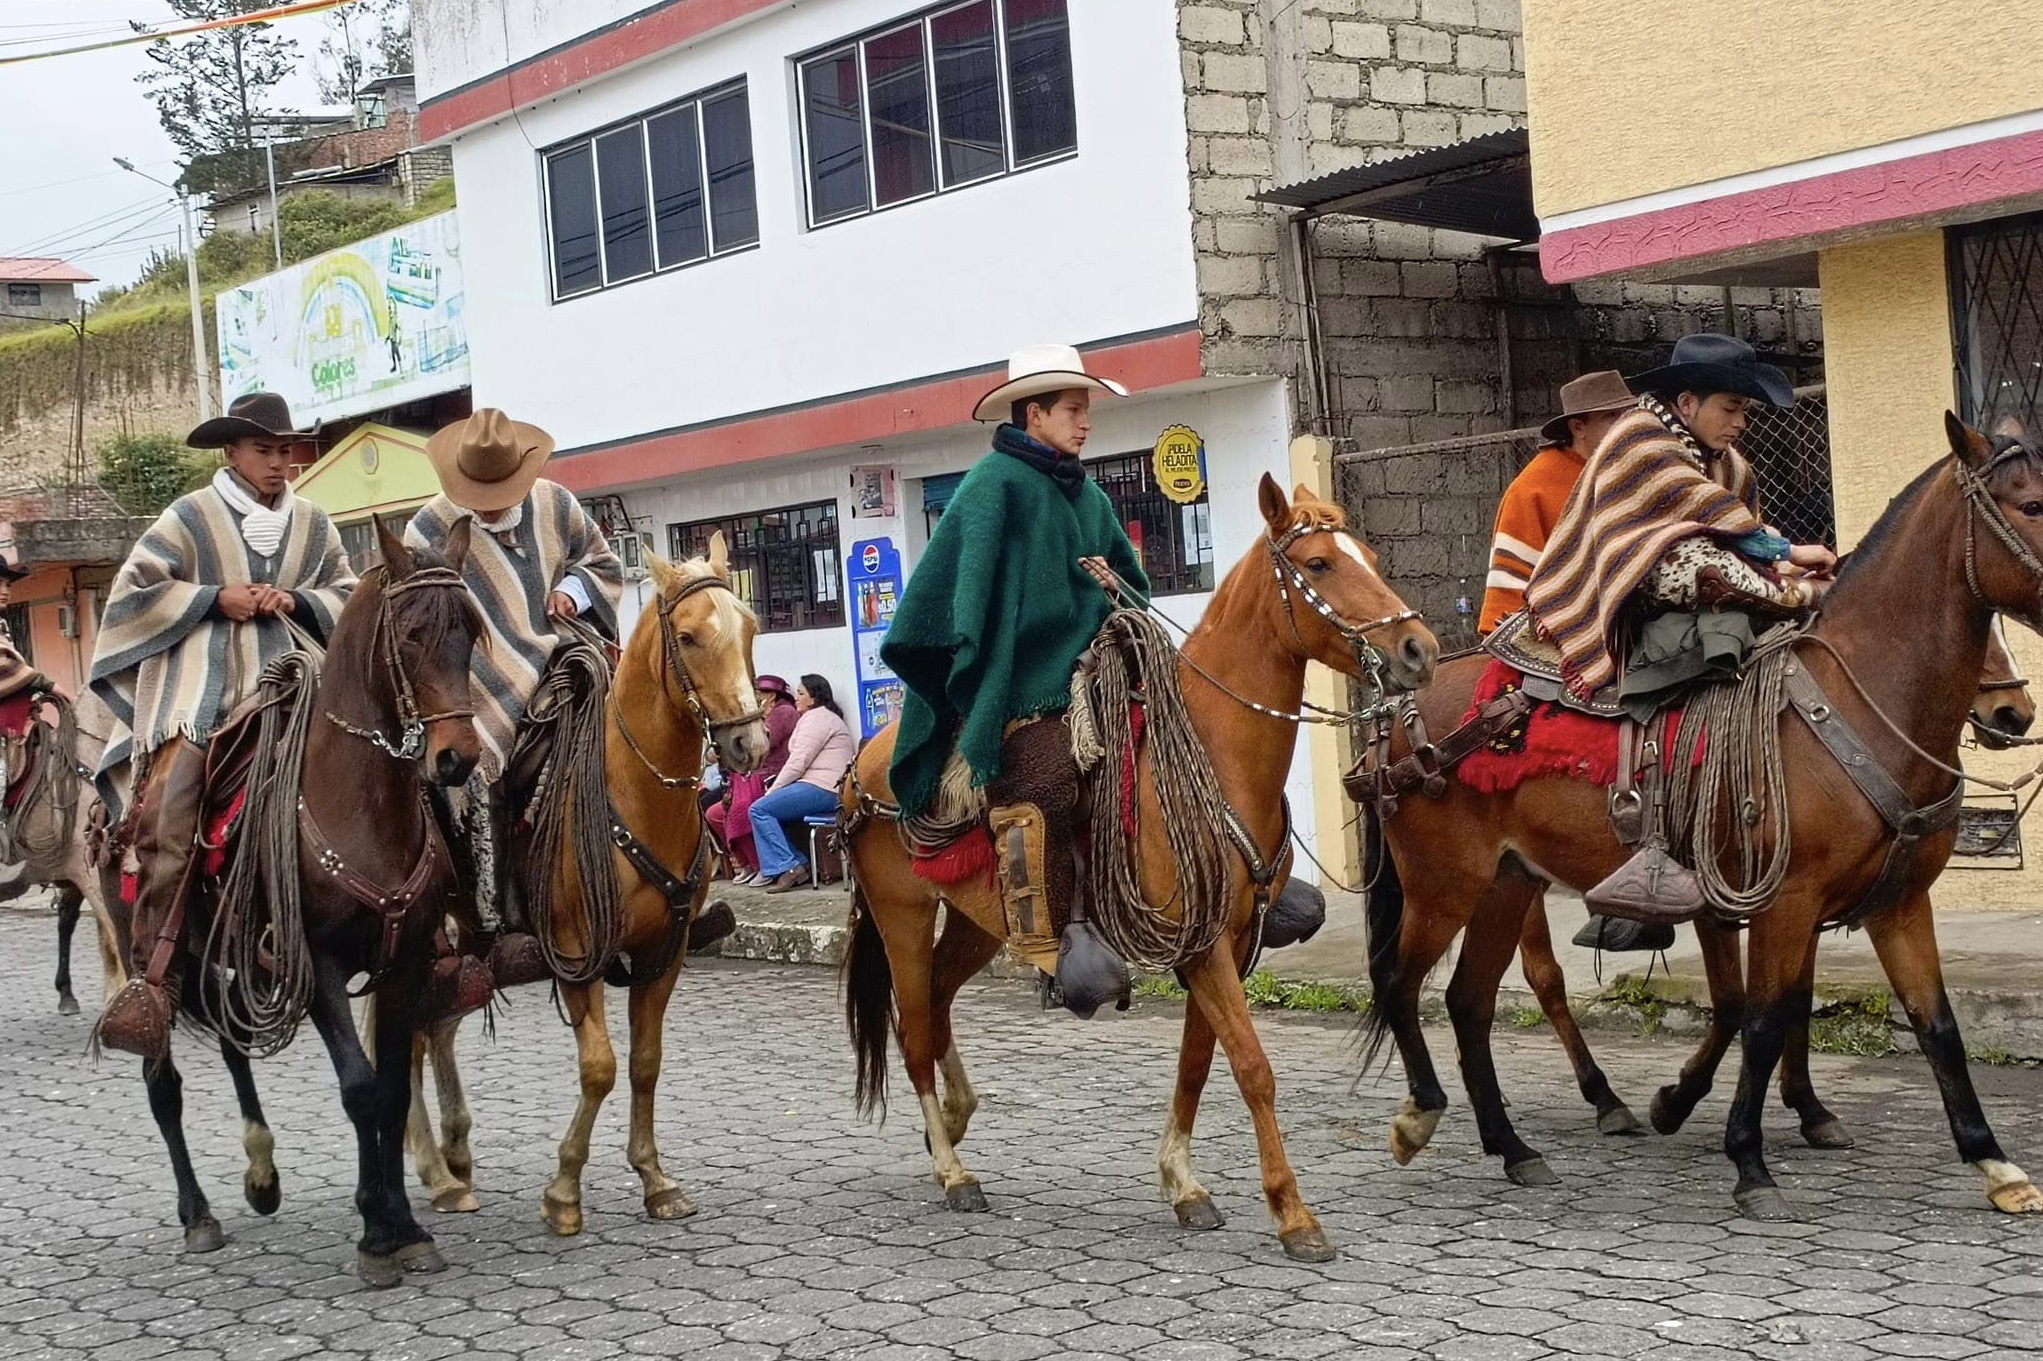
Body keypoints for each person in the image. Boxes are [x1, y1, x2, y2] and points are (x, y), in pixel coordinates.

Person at [881, 344, 1150, 1013]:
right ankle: (1054, 945)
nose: (1085, 422)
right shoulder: (989, 484)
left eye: (1086, 410)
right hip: (1021, 687)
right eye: (1072, 410)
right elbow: (951, 594)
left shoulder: (1085, 492)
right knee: (1046, 778)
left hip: (1090, 676)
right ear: (1034, 414)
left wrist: (1115, 586)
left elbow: (1130, 581)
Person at [89, 391, 358, 1058]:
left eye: (285, 450)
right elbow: (134, 593)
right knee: (168, 816)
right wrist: (216, 598)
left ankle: (441, 937)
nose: (279, 461)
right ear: (231, 452)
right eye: (264, 449)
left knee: (392, 770)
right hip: (204, 700)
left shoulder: (315, 523)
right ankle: (154, 980)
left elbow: (350, 595)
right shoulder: (188, 518)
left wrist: (296, 598)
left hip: (306, 691)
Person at [406, 408, 624, 984]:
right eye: (478, 494)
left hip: (556, 657)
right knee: (481, 774)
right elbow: (416, 610)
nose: (490, 503)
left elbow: (600, 562)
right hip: (470, 677)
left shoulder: (555, 504)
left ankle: (642, 887)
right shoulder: (430, 527)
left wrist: (575, 593)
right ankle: (492, 921)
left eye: (500, 492)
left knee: (624, 736)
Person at [1526, 333, 1835, 708]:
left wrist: (1781, 561)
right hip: (1630, 577)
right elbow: (1711, 518)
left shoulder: (1730, 465)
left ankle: (1795, 593)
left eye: (1745, 412)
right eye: (1730, 408)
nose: (1741, 423)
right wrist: (1792, 553)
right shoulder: (1639, 437)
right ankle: (1809, 596)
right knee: (1703, 567)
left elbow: (1743, 528)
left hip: (1695, 571)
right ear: (1687, 403)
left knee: (1727, 565)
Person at [1478, 372, 1636, 634]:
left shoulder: (1631, 473)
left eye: (1627, 415)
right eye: (1610, 417)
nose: (1624, 426)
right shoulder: (1533, 488)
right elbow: (1509, 592)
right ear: (1578, 428)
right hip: (1557, 635)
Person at [751, 675, 856, 893]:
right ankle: (798, 862)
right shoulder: (821, 718)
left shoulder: (817, 718)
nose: (796, 698)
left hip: (824, 788)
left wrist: (773, 790)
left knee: (759, 809)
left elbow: (798, 762)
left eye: (800, 694)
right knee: (772, 811)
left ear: (814, 698)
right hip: (826, 787)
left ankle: (790, 866)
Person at [707, 675, 796, 885]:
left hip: (769, 776)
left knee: (740, 810)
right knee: (714, 814)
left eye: (759, 694)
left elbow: (763, 743)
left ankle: (761, 866)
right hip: (750, 778)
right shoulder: (765, 714)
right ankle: (745, 862)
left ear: (771, 696)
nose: (755, 698)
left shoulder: (784, 712)